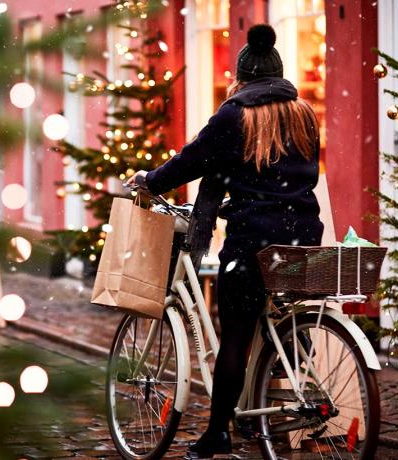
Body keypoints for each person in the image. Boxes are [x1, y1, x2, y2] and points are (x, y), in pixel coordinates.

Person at [127, 24, 324, 459]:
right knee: (275, 318)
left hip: (253, 238)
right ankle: (270, 409)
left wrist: (150, 180)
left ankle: (217, 432)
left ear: (242, 75)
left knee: (234, 335)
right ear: (278, 72)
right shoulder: (304, 112)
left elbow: (192, 160)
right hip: (302, 234)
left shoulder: (234, 114)